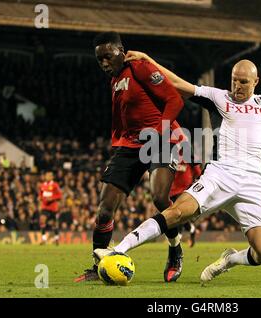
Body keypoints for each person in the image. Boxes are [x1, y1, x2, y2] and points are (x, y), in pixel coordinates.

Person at [93, 51, 261, 283]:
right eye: (234, 80)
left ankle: (228, 260)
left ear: (256, 82)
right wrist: (148, 60)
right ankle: (118, 249)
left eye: (244, 82)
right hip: (219, 174)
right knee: (176, 211)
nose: (238, 86)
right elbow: (177, 83)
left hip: (253, 183)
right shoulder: (218, 97)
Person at [75, 33, 186, 283]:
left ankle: (175, 248)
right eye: (99, 59)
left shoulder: (139, 68)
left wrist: (160, 131)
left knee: (159, 198)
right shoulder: (114, 80)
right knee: (104, 210)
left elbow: (174, 100)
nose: (104, 62)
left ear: (121, 51)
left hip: (160, 140)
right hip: (129, 146)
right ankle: (99, 265)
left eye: (108, 56)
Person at [38, 171, 62, 245]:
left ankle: (56, 238)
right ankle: (43, 239)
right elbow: (41, 195)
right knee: (42, 220)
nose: (47, 177)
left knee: (54, 224)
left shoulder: (55, 185)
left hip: (53, 207)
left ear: (52, 177)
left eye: (49, 176)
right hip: (44, 207)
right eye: (46, 175)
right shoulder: (42, 185)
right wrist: (41, 198)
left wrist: (52, 198)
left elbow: (60, 196)